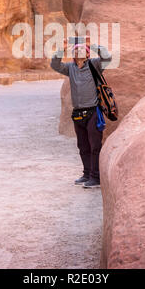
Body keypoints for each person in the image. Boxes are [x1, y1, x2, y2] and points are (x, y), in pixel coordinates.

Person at [50, 37, 112, 188]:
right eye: (77, 49)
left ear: (88, 53)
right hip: (78, 113)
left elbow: (108, 57)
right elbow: (54, 64)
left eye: (83, 49)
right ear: (73, 53)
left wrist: (93, 45)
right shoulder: (70, 68)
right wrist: (62, 48)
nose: (80, 51)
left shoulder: (95, 65)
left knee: (95, 145)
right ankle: (86, 174)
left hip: (93, 112)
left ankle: (96, 178)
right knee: (82, 145)